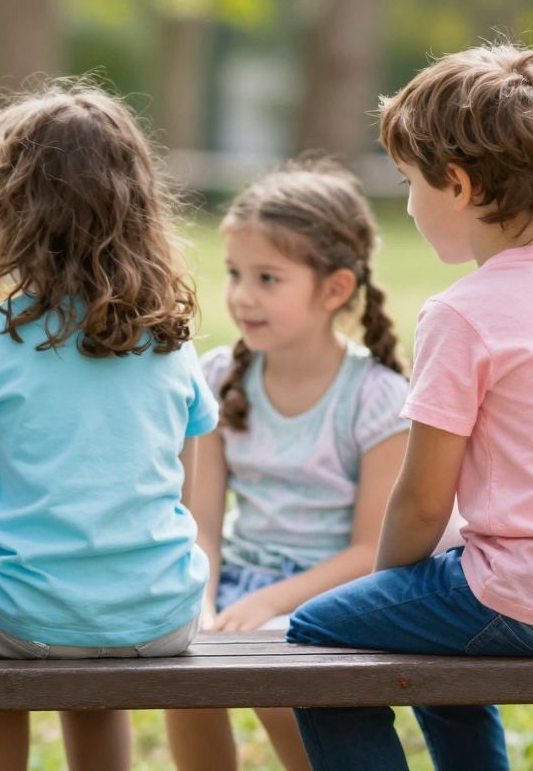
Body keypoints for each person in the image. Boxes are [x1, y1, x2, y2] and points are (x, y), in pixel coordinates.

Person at [287, 45, 533, 770]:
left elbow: (422, 502)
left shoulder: (464, 313)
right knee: (433, 608)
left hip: (531, 599)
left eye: (409, 183)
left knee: (317, 634)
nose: (409, 202)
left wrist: (388, 584)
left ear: (456, 184)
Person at [0, 81, 214, 771]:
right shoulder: (172, 340)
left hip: (22, 612)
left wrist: (27, 596)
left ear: (9, 213)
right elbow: (184, 497)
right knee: (93, 661)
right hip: (161, 613)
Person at [164, 159, 411, 771]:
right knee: (180, 680)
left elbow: (370, 551)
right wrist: (201, 603)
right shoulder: (218, 377)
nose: (243, 295)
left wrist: (272, 603)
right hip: (238, 586)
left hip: (333, 597)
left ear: (334, 289)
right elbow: (200, 522)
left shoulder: (375, 397)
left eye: (268, 278)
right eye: (234, 273)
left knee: (279, 686)